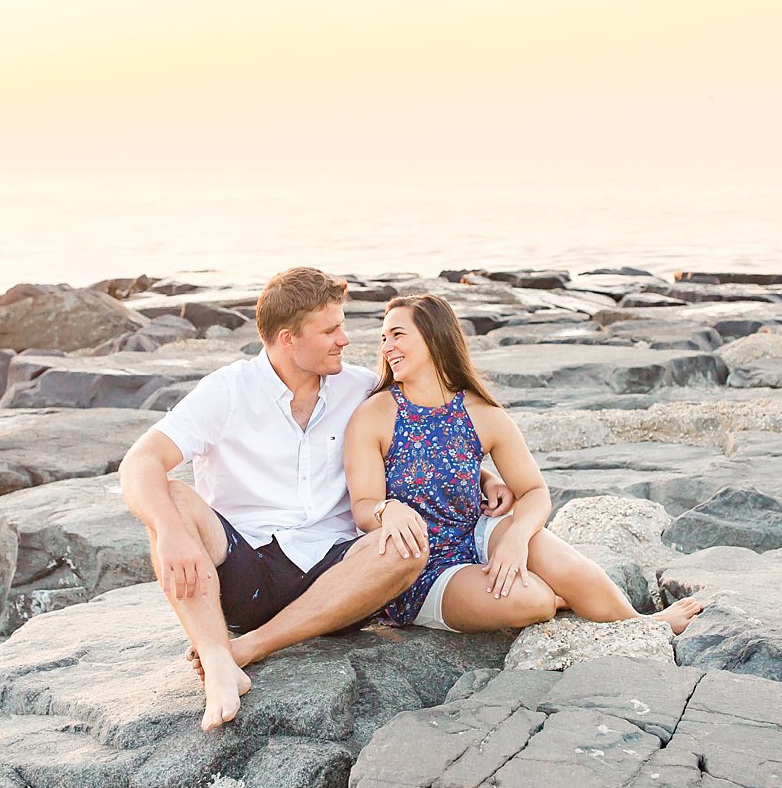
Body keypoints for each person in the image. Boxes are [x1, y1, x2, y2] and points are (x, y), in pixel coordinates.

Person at [119, 268, 514, 732]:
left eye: (342, 326)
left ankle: (246, 650)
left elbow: (425, 436)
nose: (345, 340)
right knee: (171, 497)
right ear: (288, 339)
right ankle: (214, 656)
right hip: (242, 568)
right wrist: (169, 531)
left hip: (339, 578)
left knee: (408, 546)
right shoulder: (227, 391)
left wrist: (480, 474)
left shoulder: (362, 388)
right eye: (330, 330)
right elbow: (140, 463)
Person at [344, 293, 705, 635]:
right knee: (535, 601)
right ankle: (559, 598)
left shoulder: (482, 413)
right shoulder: (375, 415)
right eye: (383, 338)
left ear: (434, 338)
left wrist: (515, 538)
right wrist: (386, 510)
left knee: (569, 568)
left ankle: (645, 625)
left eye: (397, 335)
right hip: (418, 566)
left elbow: (533, 491)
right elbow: (362, 507)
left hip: (476, 531)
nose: (386, 347)